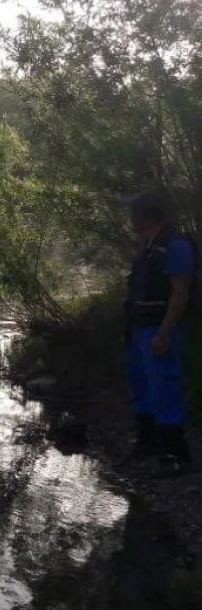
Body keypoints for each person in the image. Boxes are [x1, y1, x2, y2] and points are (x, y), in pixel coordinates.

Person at [124, 192, 195, 476]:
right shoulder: (147, 248)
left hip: (158, 329)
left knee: (164, 388)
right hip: (138, 329)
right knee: (142, 386)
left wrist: (164, 333)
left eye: (133, 214)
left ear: (146, 216)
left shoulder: (176, 246)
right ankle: (148, 442)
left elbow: (181, 293)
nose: (130, 219)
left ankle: (174, 455)